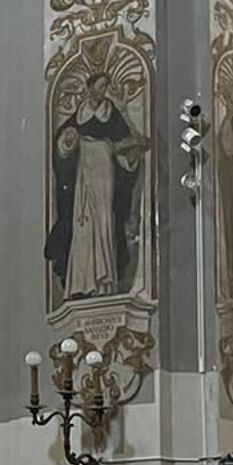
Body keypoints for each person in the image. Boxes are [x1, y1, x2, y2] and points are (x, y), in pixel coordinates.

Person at [45, 74, 147, 299]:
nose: (102, 92)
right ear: (90, 87)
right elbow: (62, 147)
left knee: (103, 222)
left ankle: (104, 282)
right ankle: (80, 284)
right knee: (81, 225)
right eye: (100, 87)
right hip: (82, 171)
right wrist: (68, 141)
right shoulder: (77, 117)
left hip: (104, 169)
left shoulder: (113, 116)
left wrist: (130, 158)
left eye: (105, 88)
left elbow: (124, 149)